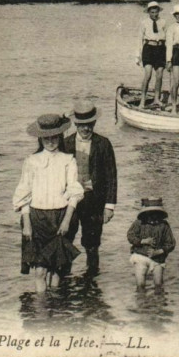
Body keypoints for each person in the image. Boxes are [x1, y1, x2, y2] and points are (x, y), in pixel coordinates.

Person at [13, 114, 84, 293]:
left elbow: (74, 193)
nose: (51, 142)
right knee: (40, 271)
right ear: (40, 139)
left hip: (61, 216)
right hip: (37, 219)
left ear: (60, 137)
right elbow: (24, 194)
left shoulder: (68, 160)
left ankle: (54, 304)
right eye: (46, 138)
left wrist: (66, 221)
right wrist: (27, 224)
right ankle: (41, 305)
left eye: (54, 138)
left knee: (57, 269)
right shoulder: (31, 161)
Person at [64, 101, 117, 277]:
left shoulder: (103, 144)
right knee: (66, 239)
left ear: (94, 123)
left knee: (92, 244)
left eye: (89, 124)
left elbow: (111, 176)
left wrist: (109, 206)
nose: (85, 128)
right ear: (75, 124)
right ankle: (64, 279)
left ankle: (91, 281)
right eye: (81, 125)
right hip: (69, 200)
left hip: (94, 200)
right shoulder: (66, 143)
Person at [127, 197, 175, 292]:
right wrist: (142, 241)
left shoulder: (164, 225)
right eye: (150, 214)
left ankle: (158, 300)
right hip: (141, 255)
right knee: (140, 285)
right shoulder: (139, 223)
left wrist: (159, 251)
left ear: (160, 214)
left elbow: (171, 243)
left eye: (156, 214)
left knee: (158, 285)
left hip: (158, 258)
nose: (153, 216)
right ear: (145, 213)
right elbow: (130, 236)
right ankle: (142, 300)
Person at [136, 2, 167, 109]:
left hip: (161, 49)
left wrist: (168, 56)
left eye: (156, 12)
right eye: (152, 12)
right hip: (148, 48)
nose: (154, 14)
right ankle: (142, 100)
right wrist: (138, 56)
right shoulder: (144, 23)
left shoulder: (163, 22)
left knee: (159, 75)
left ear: (158, 12)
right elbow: (139, 39)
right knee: (148, 74)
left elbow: (167, 38)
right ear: (148, 12)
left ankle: (156, 99)